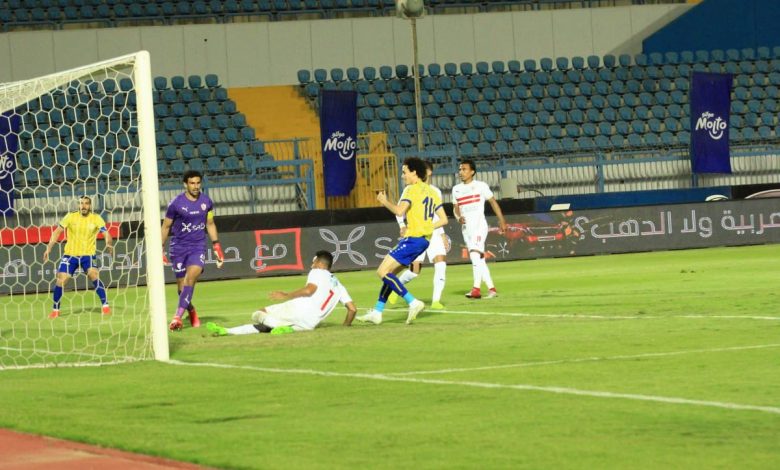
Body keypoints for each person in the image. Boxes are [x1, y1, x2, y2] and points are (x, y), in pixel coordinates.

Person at [357, 157, 448, 325]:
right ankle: (377, 311)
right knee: (390, 273)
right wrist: (427, 227)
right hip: (424, 241)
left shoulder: (410, 190)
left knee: (382, 272)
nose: (402, 175)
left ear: (414, 172)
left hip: (413, 239)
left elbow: (399, 211)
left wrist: (384, 201)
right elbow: (444, 220)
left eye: (404, 172)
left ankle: (413, 302)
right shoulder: (433, 192)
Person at [206, 251, 356, 335]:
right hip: (309, 324)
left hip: (299, 310)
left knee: (258, 314)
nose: (312, 263)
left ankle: (278, 325)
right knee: (266, 328)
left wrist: (286, 295)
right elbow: (352, 309)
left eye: (314, 260)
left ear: (319, 263)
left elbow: (309, 290)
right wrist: (345, 326)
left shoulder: (317, 271)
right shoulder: (339, 285)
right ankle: (226, 331)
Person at [161, 170, 224, 331]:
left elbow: (210, 224)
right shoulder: (176, 203)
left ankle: (177, 317)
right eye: (192, 183)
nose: (196, 186)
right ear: (185, 184)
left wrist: (216, 245)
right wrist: (160, 248)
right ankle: (191, 310)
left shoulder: (206, 202)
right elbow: (166, 226)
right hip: (178, 248)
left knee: (190, 278)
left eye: (198, 183)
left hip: (197, 247)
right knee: (181, 289)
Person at [387, 161, 448, 310]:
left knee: (441, 264)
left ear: (429, 172)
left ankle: (436, 301)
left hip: (433, 232)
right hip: (417, 233)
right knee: (415, 270)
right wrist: (402, 226)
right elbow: (400, 211)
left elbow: (439, 216)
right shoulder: (409, 189)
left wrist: (442, 234)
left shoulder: (435, 191)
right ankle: (396, 288)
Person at [42, 195, 114, 319]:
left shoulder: (96, 218)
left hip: (88, 255)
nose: (83, 206)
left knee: (93, 274)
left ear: (90, 205)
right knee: (61, 279)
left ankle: (105, 306)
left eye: (86, 203)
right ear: (78, 205)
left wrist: (108, 243)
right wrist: (49, 248)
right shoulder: (70, 216)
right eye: (81, 203)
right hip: (70, 255)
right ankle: (55, 310)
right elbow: (57, 232)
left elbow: (106, 234)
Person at [452, 159, 507, 299]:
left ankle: (476, 289)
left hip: (479, 227)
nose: (461, 172)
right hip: (466, 229)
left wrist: (502, 220)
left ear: (472, 172)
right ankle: (491, 289)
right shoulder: (456, 189)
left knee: (475, 255)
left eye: (464, 169)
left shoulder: (481, 186)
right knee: (479, 260)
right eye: (460, 169)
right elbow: (455, 208)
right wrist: (458, 217)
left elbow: (493, 202)